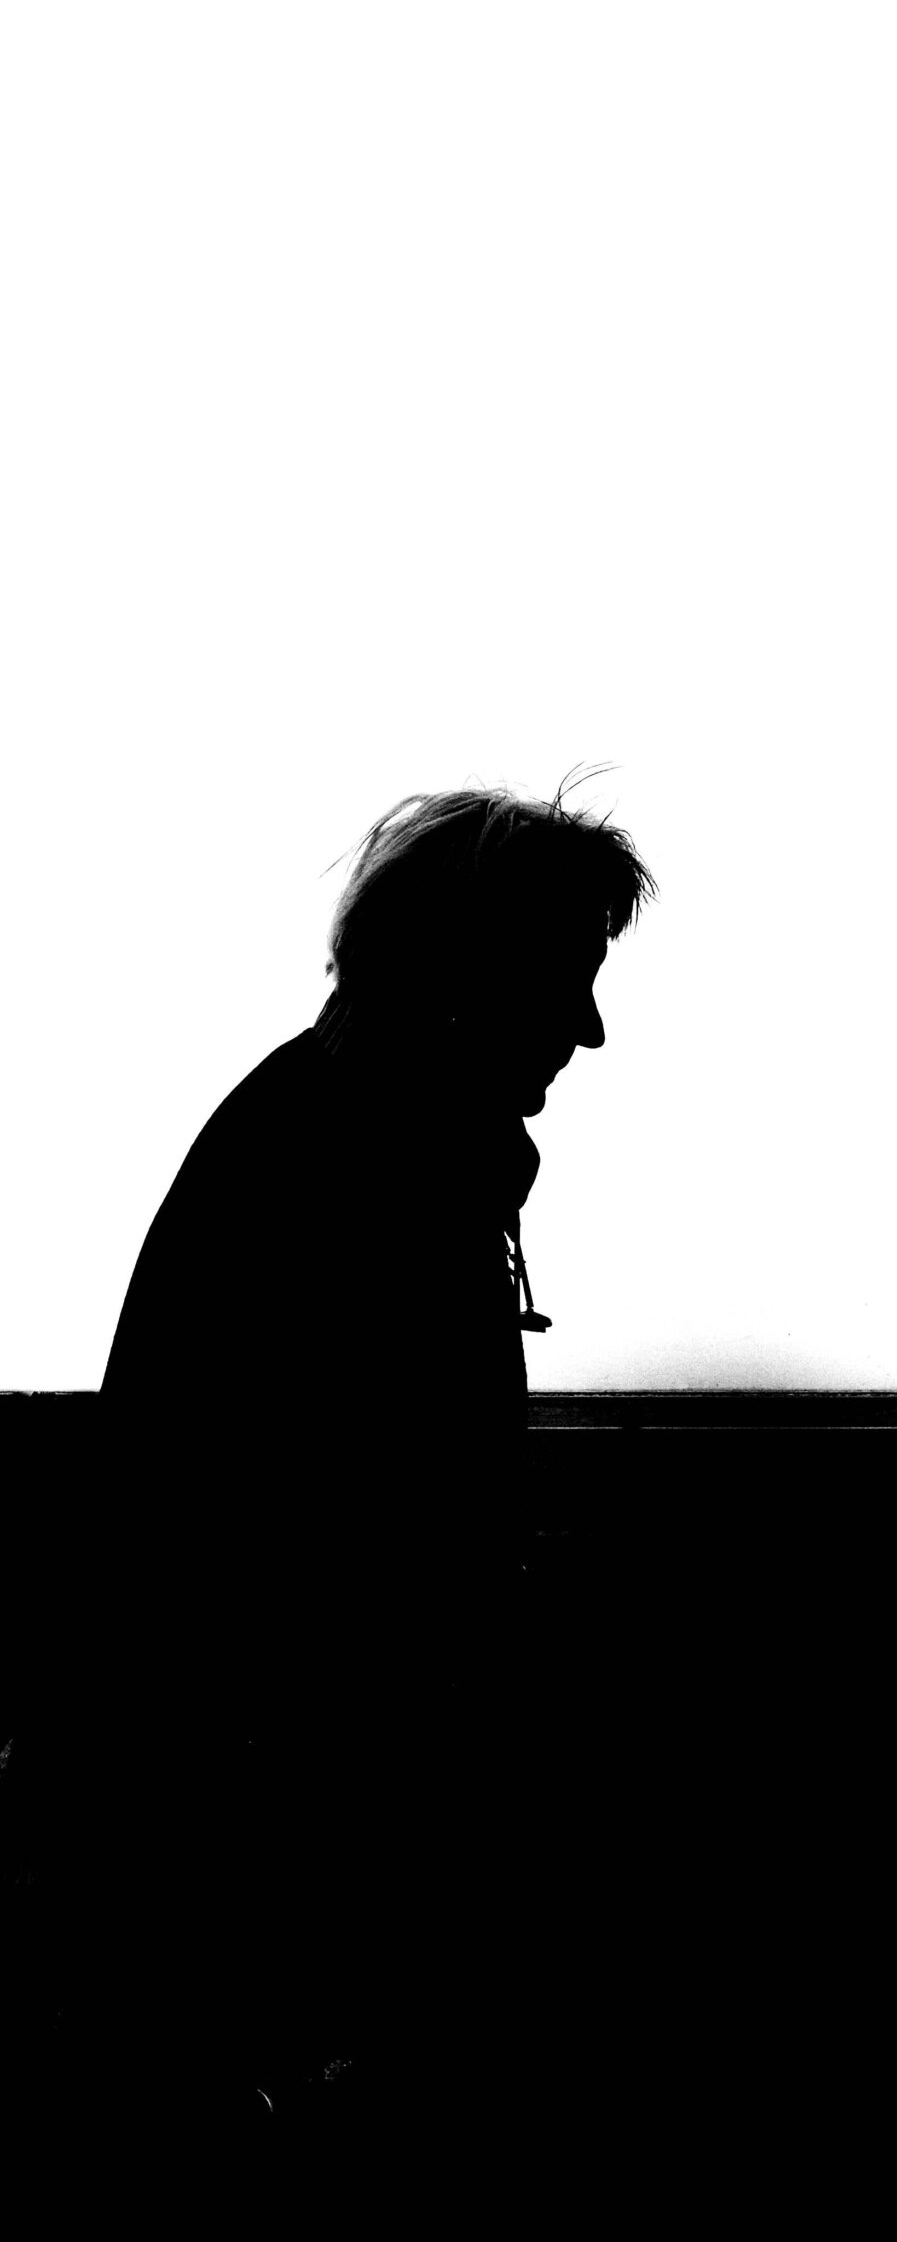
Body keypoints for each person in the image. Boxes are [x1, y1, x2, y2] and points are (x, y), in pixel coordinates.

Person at [40, 783, 654, 2145]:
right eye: (566, 978)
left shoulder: (338, 1134)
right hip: (265, 1838)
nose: (587, 1026)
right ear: (468, 979)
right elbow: (341, 1572)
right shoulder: (375, 1175)